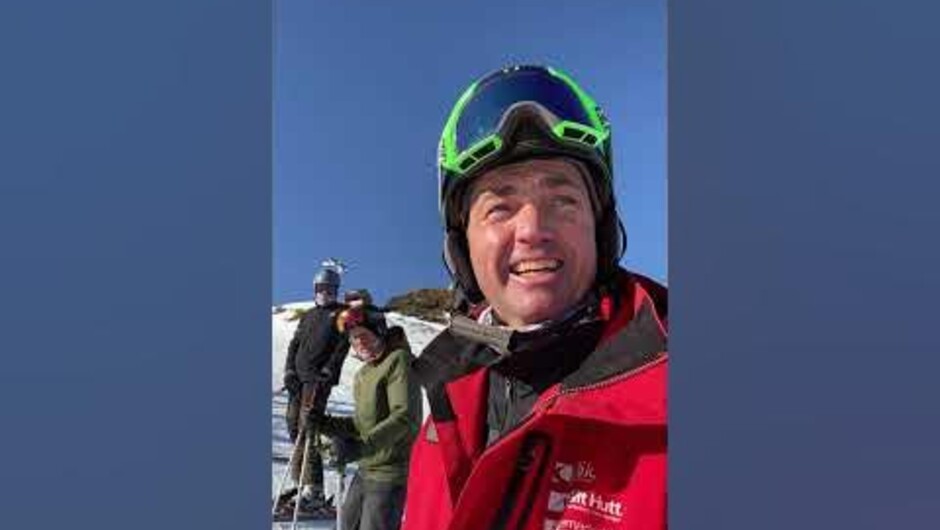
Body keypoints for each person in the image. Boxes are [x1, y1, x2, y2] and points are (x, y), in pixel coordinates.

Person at [401, 65, 668, 530]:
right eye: (499, 207)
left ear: (600, 229)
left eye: (562, 201)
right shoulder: (443, 420)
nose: (532, 230)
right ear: (462, 247)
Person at [317, 305, 423, 530]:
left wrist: (361, 446)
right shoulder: (363, 373)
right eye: (353, 339)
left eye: (364, 335)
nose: (359, 343)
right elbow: (361, 424)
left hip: (390, 474)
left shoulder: (398, 361)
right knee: (346, 525)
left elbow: (404, 418)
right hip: (366, 468)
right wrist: (325, 423)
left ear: (379, 332)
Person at [281, 264, 351, 517]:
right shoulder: (309, 315)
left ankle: (315, 489)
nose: (325, 292)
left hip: (317, 382)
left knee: (308, 428)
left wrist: (329, 371)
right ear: (315, 289)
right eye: (321, 288)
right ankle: (301, 482)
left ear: (336, 290)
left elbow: (342, 346)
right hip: (298, 381)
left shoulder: (340, 314)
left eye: (330, 288)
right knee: (293, 426)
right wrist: (289, 371)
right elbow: (294, 345)